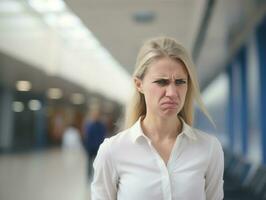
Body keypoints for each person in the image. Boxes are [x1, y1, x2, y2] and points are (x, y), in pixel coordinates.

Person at [91, 37, 224, 200]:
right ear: (139, 85)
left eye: (180, 82)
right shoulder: (112, 151)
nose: (172, 93)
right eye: (162, 82)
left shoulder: (209, 148)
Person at [84, 107, 107, 179]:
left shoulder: (101, 126)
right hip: (90, 148)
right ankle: (89, 176)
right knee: (89, 163)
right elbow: (87, 136)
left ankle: (97, 176)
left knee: (98, 163)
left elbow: (103, 136)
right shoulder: (89, 125)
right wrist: (87, 147)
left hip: (98, 148)